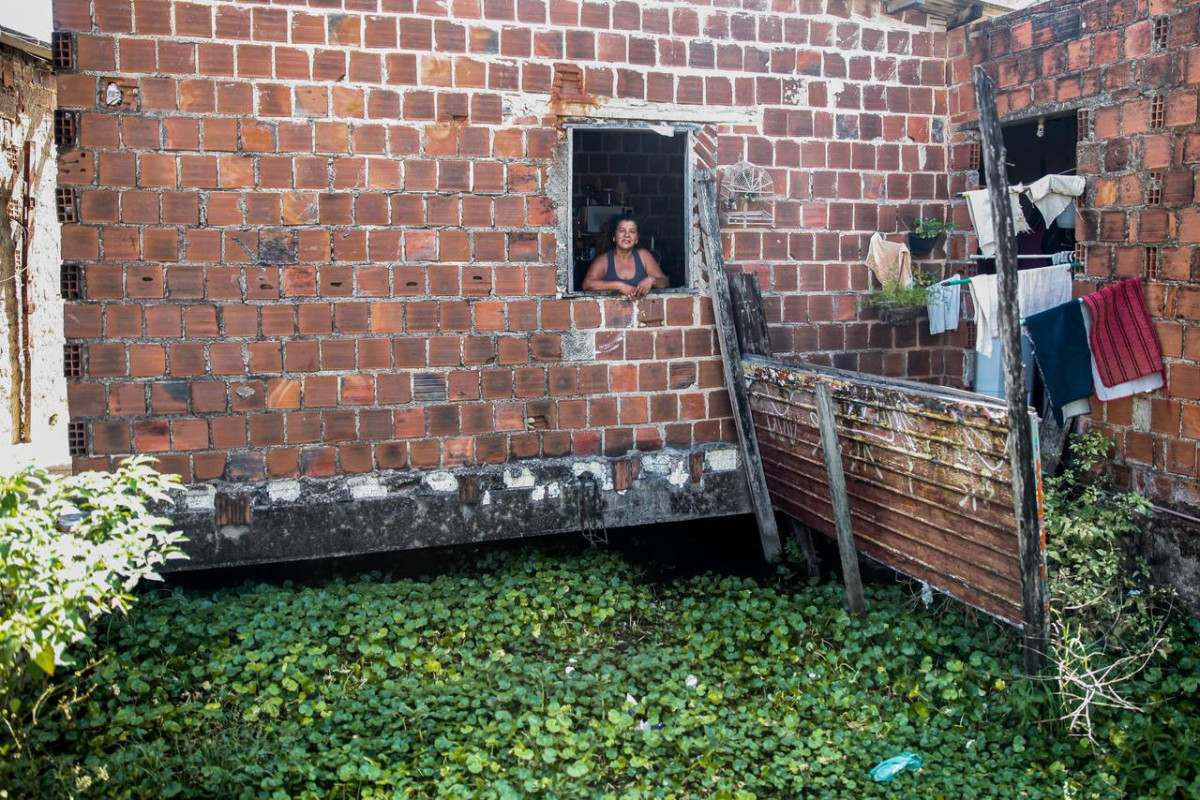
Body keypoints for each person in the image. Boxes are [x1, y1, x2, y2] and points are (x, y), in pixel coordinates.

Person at [581, 214, 669, 299]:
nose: (627, 235)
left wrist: (652, 280)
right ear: (614, 237)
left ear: (636, 239)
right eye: (622, 230)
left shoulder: (644, 256)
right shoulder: (604, 260)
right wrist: (619, 286)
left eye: (632, 231)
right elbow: (587, 284)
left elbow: (665, 282)